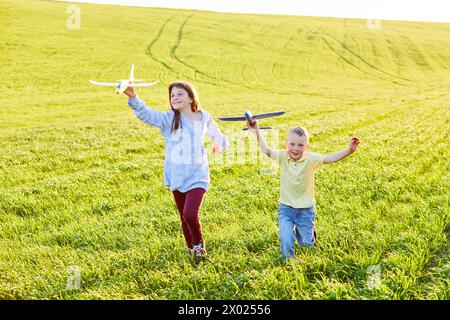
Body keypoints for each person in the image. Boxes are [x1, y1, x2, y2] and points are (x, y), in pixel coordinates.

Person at [124, 81, 229, 261]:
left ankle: (199, 246)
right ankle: (190, 249)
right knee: (183, 216)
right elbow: (148, 115)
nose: (175, 98)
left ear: (190, 97)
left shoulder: (203, 117)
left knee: (190, 213)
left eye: (180, 94)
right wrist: (133, 97)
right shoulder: (169, 119)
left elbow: (217, 136)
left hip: (198, 175)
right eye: (172, 95)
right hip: (177, 176)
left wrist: (219, 145)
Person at [248, 122, 360, 260]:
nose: (295, 148)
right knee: (285, 237)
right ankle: (287, 260)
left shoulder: (311, 159)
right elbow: (266, 150)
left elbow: (330, 158)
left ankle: (309, 232)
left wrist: (349, 150)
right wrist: (257, 131)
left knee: (306, 243)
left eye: (300, 145)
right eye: (292, 144)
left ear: (307, 147)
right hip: (286, 207)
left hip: (305, 209)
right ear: (286, 144)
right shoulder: (283, 156)